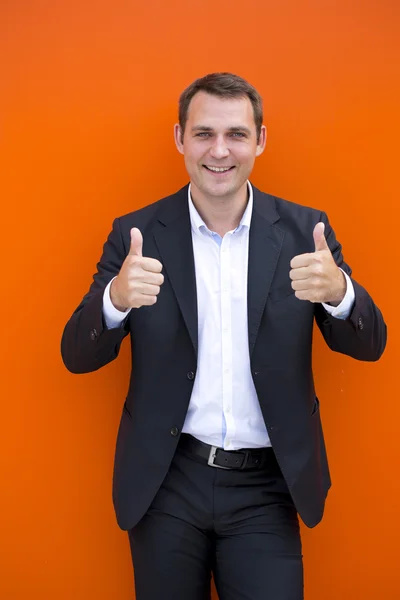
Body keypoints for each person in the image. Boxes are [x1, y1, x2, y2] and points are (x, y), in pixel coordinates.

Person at [61, 72, 387, 600]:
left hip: (266, 486)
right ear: (180, 139)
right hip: (168, 481)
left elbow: (369, 345)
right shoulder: (136, 235)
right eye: (204, 133)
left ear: (260, 140)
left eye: (236, 134)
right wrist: (115, 300)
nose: (219, 151)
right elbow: (75, 354)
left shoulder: (307, 233)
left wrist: (340, 292)